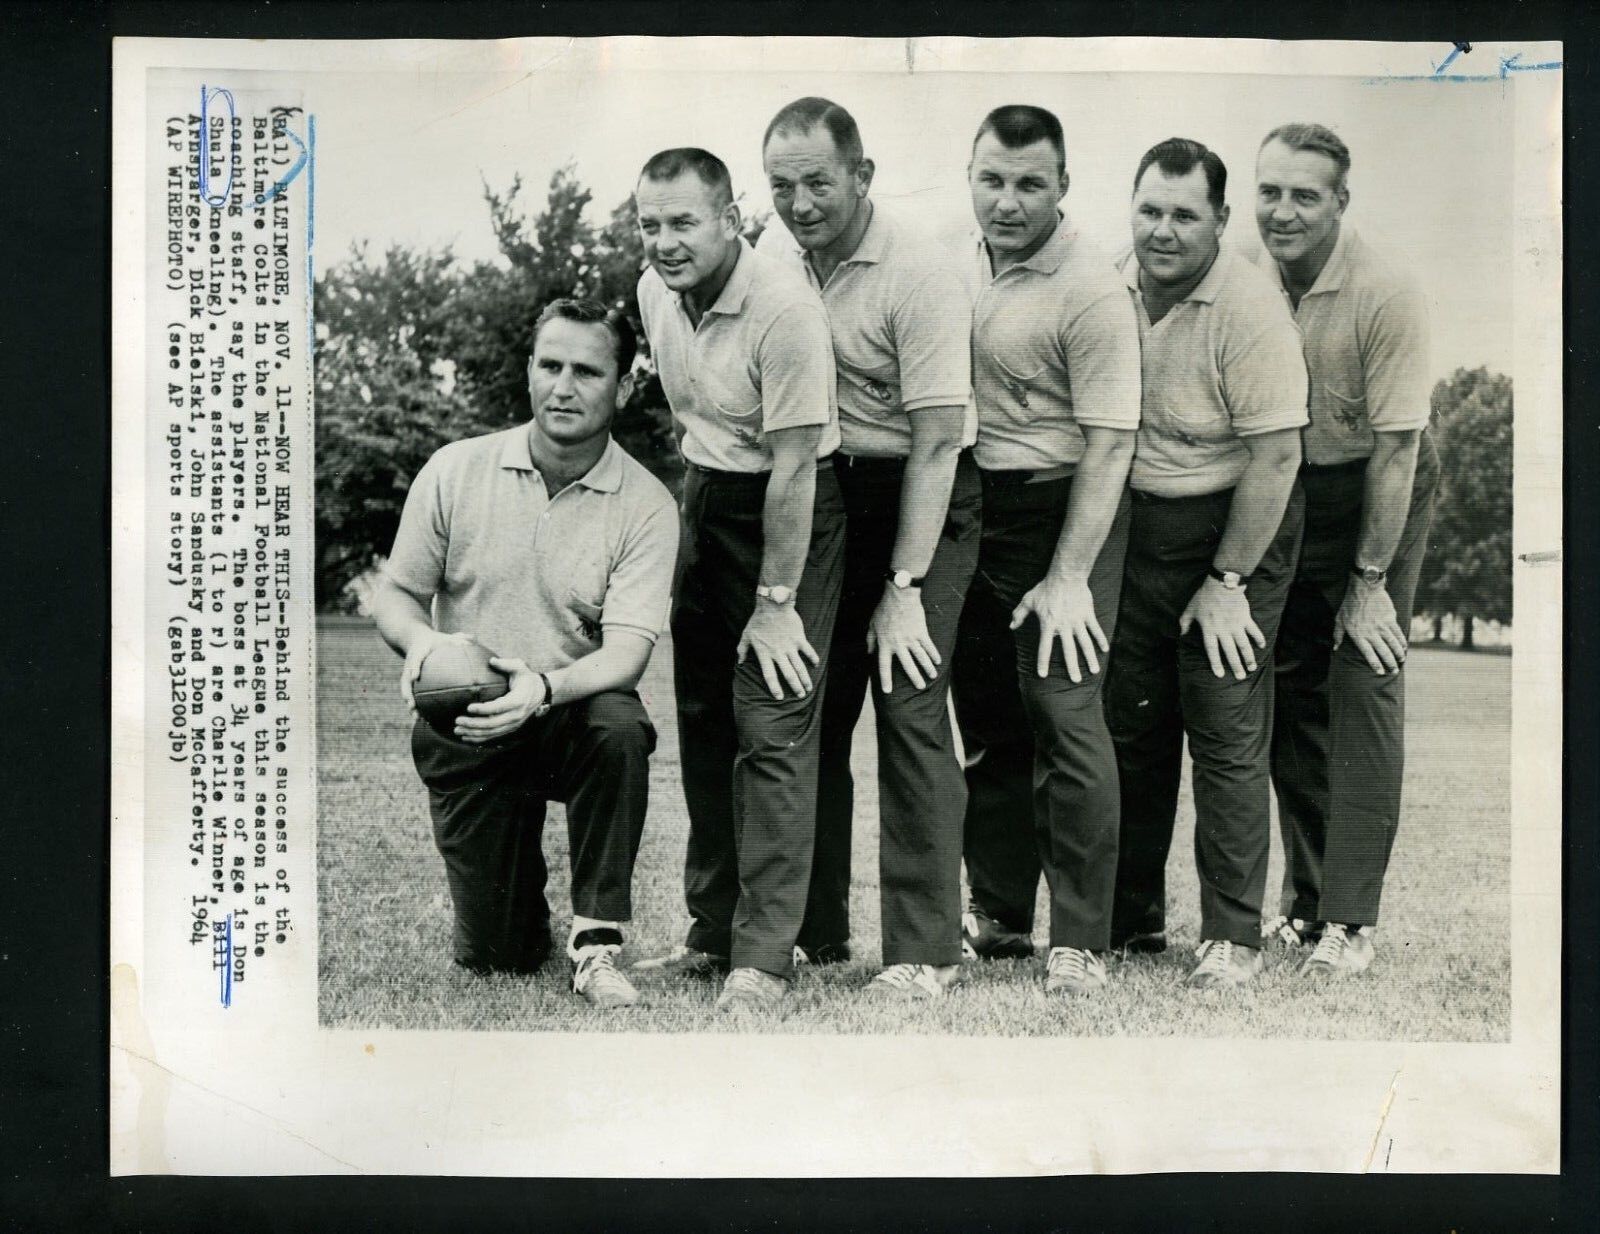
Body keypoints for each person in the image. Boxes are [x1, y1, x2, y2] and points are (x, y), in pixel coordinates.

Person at [370, 298, 679, 1010]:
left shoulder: (647, 504)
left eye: (587, 371)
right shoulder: (455, 469)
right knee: (498, 960)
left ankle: (597, 945)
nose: (563, 386)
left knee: (620, 727)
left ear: (624, 386)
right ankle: (518, 922)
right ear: (529, 371)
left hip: (563, 709)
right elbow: (396, 596)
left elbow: (627, 653)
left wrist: (539, 688)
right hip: (468, 722)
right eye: (550, 365)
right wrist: (425, 645)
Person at [753, 98, 979, 1000]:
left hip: (925, 492)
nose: (800, 203)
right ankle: (812, 931)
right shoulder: (774, 259)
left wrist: (905, 585)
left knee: (911, 698)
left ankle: (924, 955)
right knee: (812, 697)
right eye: (781, 186)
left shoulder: (918, 272)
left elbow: (936, 441)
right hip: (830, 488)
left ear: (863, 176)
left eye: (818, 182)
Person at [628, 147, 846, 1016]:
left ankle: (763, 955)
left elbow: (795, 468)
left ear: (730, 217)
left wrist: (777, 603)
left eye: (684, 222)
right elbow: (697, 429)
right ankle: (711, 933)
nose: (666, 242)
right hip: (707, 499)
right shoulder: (654, 292)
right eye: (650, 224)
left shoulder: (785, 309)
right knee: (705, 720)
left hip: (790, 513)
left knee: (773, 722)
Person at [1105, 138, 1309, 989]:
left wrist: (1229, 584)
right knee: (1130, 721)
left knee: (1223, 717)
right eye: (1150, 209)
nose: (1163, 230)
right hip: (1143, 521)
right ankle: (1130, 921)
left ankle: (1232, 935)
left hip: (1241, 520)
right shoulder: (1110, 282)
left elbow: (1277, 458)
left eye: (1186, 214)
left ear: (1222, 222)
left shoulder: (1250, 307)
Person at [949, 105, 1142, 997]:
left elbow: (1110, 442)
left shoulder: (1092, 286)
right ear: (971, 174)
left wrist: (1069, 576)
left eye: (1030, 184)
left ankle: (1081, 939)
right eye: (992, 179)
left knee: (1065, 713)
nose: (1008, 201)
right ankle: (999, 915)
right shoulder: (957, 255)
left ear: (1063, 186)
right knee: (988, 719)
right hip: (976, 502)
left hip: (1066, 506)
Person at [1254, 123, 1439, 977]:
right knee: (1291, 690)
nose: (1282, 212)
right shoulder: (1243, 271)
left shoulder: (1386, 291)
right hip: (1290, 487)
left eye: (1304, 195)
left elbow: (1398, 452)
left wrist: (1370, 580)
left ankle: (1352, 921)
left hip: (1379, 485)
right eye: (1269, 192)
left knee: (1363, 676)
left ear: (1340, 202)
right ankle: (1306, 904)